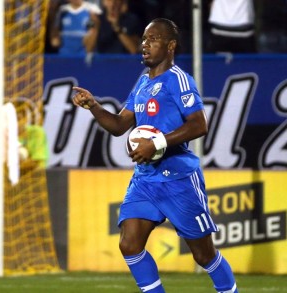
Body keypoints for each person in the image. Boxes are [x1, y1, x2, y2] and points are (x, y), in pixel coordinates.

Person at [72, 18, 238, 293]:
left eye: (152, 39)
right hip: (146, 180)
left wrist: (157, 142)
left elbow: (200, 125)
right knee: (129, 244)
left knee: (203, 255)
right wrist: (93, 106)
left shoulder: (179, 80)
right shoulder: (142, 83)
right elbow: (118, 126)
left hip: (179, 179)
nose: (144, 44)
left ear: (170, 45)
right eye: (144, 39)